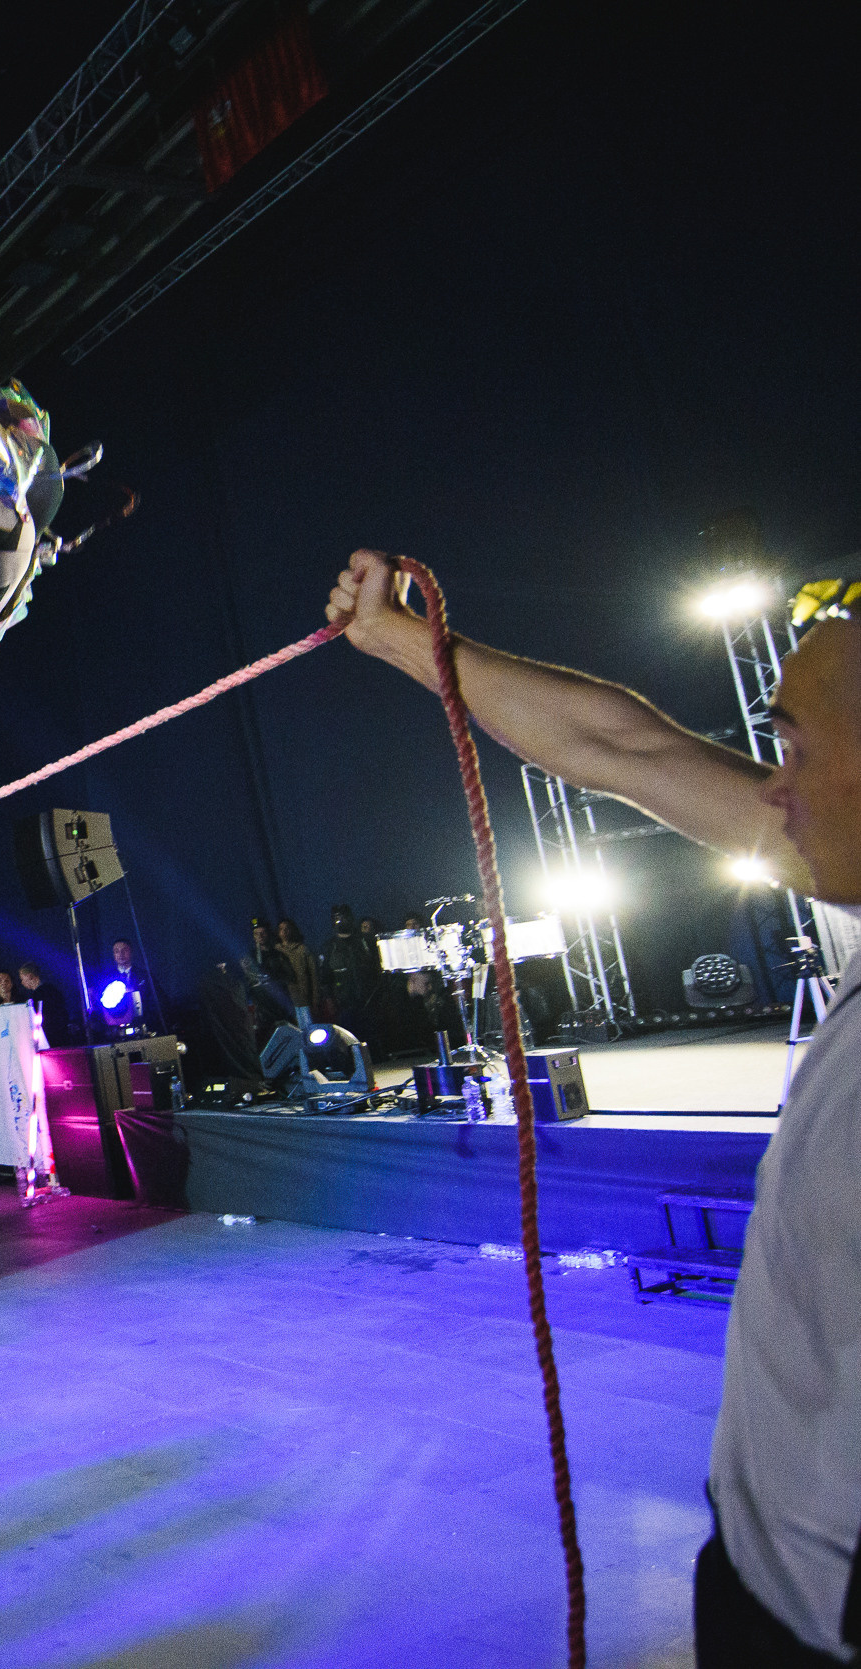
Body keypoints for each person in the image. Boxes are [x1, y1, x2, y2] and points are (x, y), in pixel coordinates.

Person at [328, 546, 861, 1663]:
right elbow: (625, 748)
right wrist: (404, 642)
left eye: (796, 747)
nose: (770, 785)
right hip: (759, 1578)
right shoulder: (847, 878)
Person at [321, 904, 380, 1034]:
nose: (340, 921)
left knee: (375, 1038)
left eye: (343, 917)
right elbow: (325, 976)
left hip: (370, 1000)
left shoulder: (365, 941)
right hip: (344, 1003)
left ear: (351, 918)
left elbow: (378, 967)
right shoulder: (330, 947)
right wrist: (329, 999)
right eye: (337, 918)